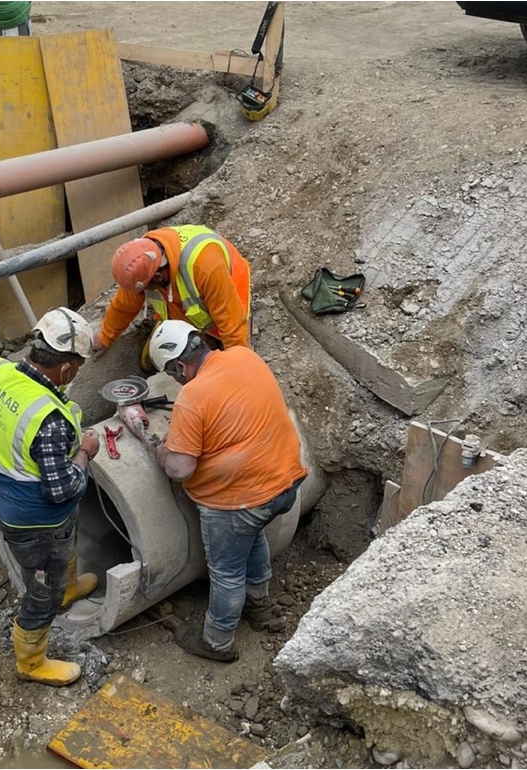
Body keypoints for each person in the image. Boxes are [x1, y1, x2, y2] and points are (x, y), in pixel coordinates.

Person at [148, 320, 308, 663]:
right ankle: (259, 608)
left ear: (179, 365)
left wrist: (162, 450)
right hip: (284, 482)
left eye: (173, 374)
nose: (176, 382)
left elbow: (180, 469)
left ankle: (217, 641)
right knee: (252, 540)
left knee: (226, 572)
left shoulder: (193, 395)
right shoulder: (243, 356)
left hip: (241, 502)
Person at [0, 307, 101, 687]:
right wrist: (84, 452)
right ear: (64, 369)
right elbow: (61, 489)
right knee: (42, 591)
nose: (76, 373)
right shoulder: (49, 419)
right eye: (77, 366)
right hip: (33, 518)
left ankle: (67, 589)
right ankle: (30, 663)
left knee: (64, 546)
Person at [92, 225, 252, 368]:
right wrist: (104, 337)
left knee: (215, 358)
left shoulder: (205, 266)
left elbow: (232, 326)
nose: (140, 294)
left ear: (158, 277)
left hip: (229, 288)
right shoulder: (141, 261)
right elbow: (124, 305)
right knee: (154, 362)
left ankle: (209, 340)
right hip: (184, 300)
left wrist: (235, 367)